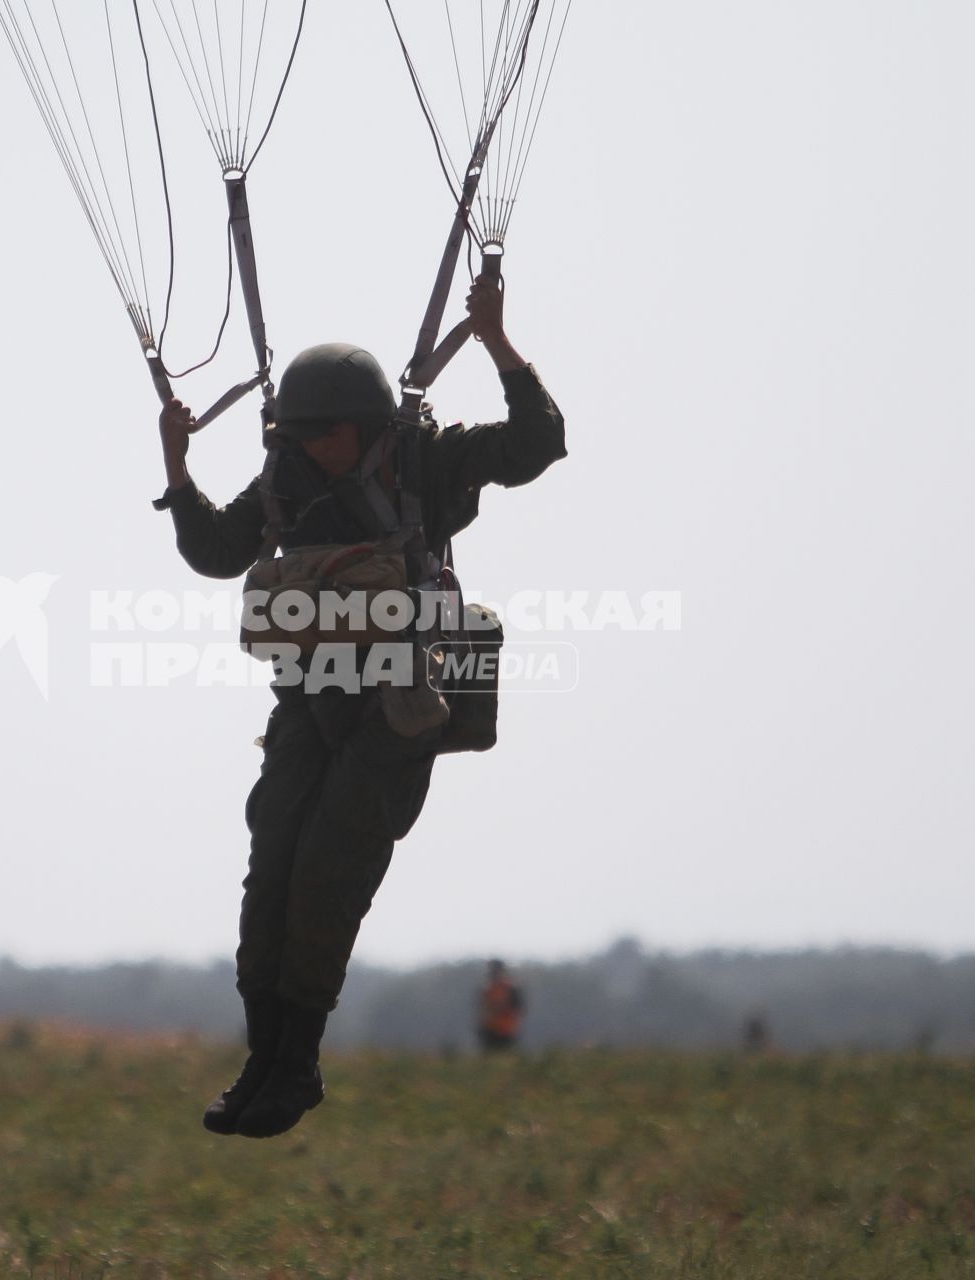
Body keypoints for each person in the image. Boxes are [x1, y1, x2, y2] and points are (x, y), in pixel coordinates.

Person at [153, 274, 565, 1137]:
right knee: (270, 879)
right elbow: (219, 553)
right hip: (307, 703)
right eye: (297, 436)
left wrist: (493, 339)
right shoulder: (286, 476)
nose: (312, 449)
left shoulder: (427, 458)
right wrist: (178, 466)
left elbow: (539, 443)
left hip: (398, 705)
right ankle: (264, 1059)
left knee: (330, 871)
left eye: (325, 435)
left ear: (367, 427)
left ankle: (296, 1065)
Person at [476, 959, 525, 1052]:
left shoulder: (511, 989)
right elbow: (482, 1010)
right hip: (489, 1031)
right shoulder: (487, 990)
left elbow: (518, 1009)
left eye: (495, 970)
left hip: (506, 1031)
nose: (493, 973)